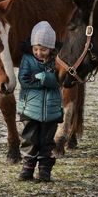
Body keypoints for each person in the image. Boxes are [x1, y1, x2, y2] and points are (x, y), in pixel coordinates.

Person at [17, 21, 63, 182]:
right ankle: (27, 168)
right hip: (29, 109)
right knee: (29, 139)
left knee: (47, 142)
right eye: (35, 49)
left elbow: (60, 80)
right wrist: (44, 82)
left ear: (51, 48)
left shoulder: (57, 61)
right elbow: (24, 80)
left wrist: (42, 78)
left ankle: (44, 171)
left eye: (43, 49)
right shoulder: (27, 59)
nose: (38, 53)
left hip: (51, 111)